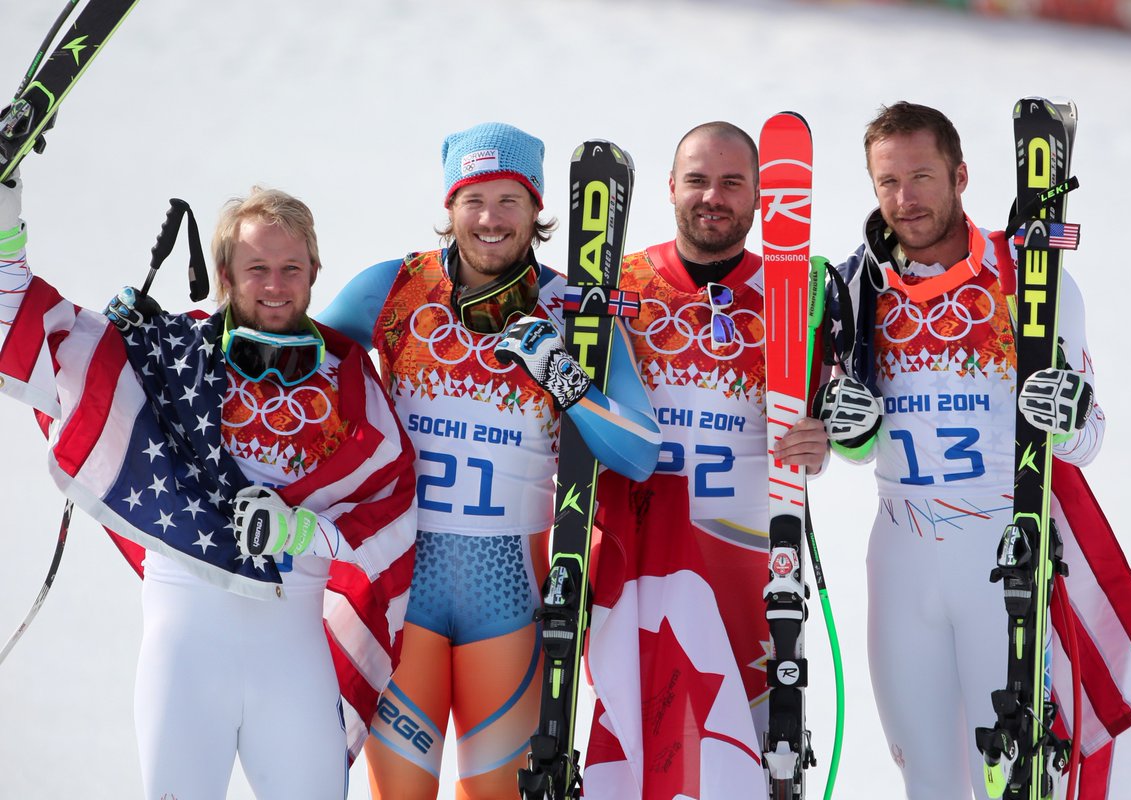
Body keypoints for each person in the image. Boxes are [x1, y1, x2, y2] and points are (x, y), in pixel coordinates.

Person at [0, 178, 418, 799]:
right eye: (256, 268)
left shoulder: (349, 378)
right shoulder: (170, 353)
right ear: (224, 274)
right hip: (186, 657)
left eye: (290, 268)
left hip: (293, 664)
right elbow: (35, 332)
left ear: (314, 271)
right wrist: (7, 235)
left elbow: (392, 509)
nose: (275, 286)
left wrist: (304, 530)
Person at [821, 101, 1131, 799]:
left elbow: (1087, 440)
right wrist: (847, 425)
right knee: (929, 782)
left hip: (1003, 554)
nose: (905, 198)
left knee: (1015, 778)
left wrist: (1068, 416)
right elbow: (858, 447)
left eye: (922, 176)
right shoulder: (856, 287)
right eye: (887, 182)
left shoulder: (1031, 277)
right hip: (901, 556)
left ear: (960, 175)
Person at [317, 121, 661, 799]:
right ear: (450, 208)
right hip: (402, 592)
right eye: (474, 200)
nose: (491, 219)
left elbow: (642, 452)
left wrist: (563, 376)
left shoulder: (574, 312)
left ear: (538, 210)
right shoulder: (391, 289)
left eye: (510, 199)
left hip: (509, 598)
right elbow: (290, 363)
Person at [580, 121, 830, 799]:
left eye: (731, 182)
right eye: (696, 179)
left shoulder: (798, 291)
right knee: (637, 753)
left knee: (743, 765)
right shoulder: (619, 286)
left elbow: (832, 412)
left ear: (757, 198)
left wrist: (825, 436)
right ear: (670, 188)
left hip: (749, 568)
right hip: (641, 563)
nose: (711, 196)